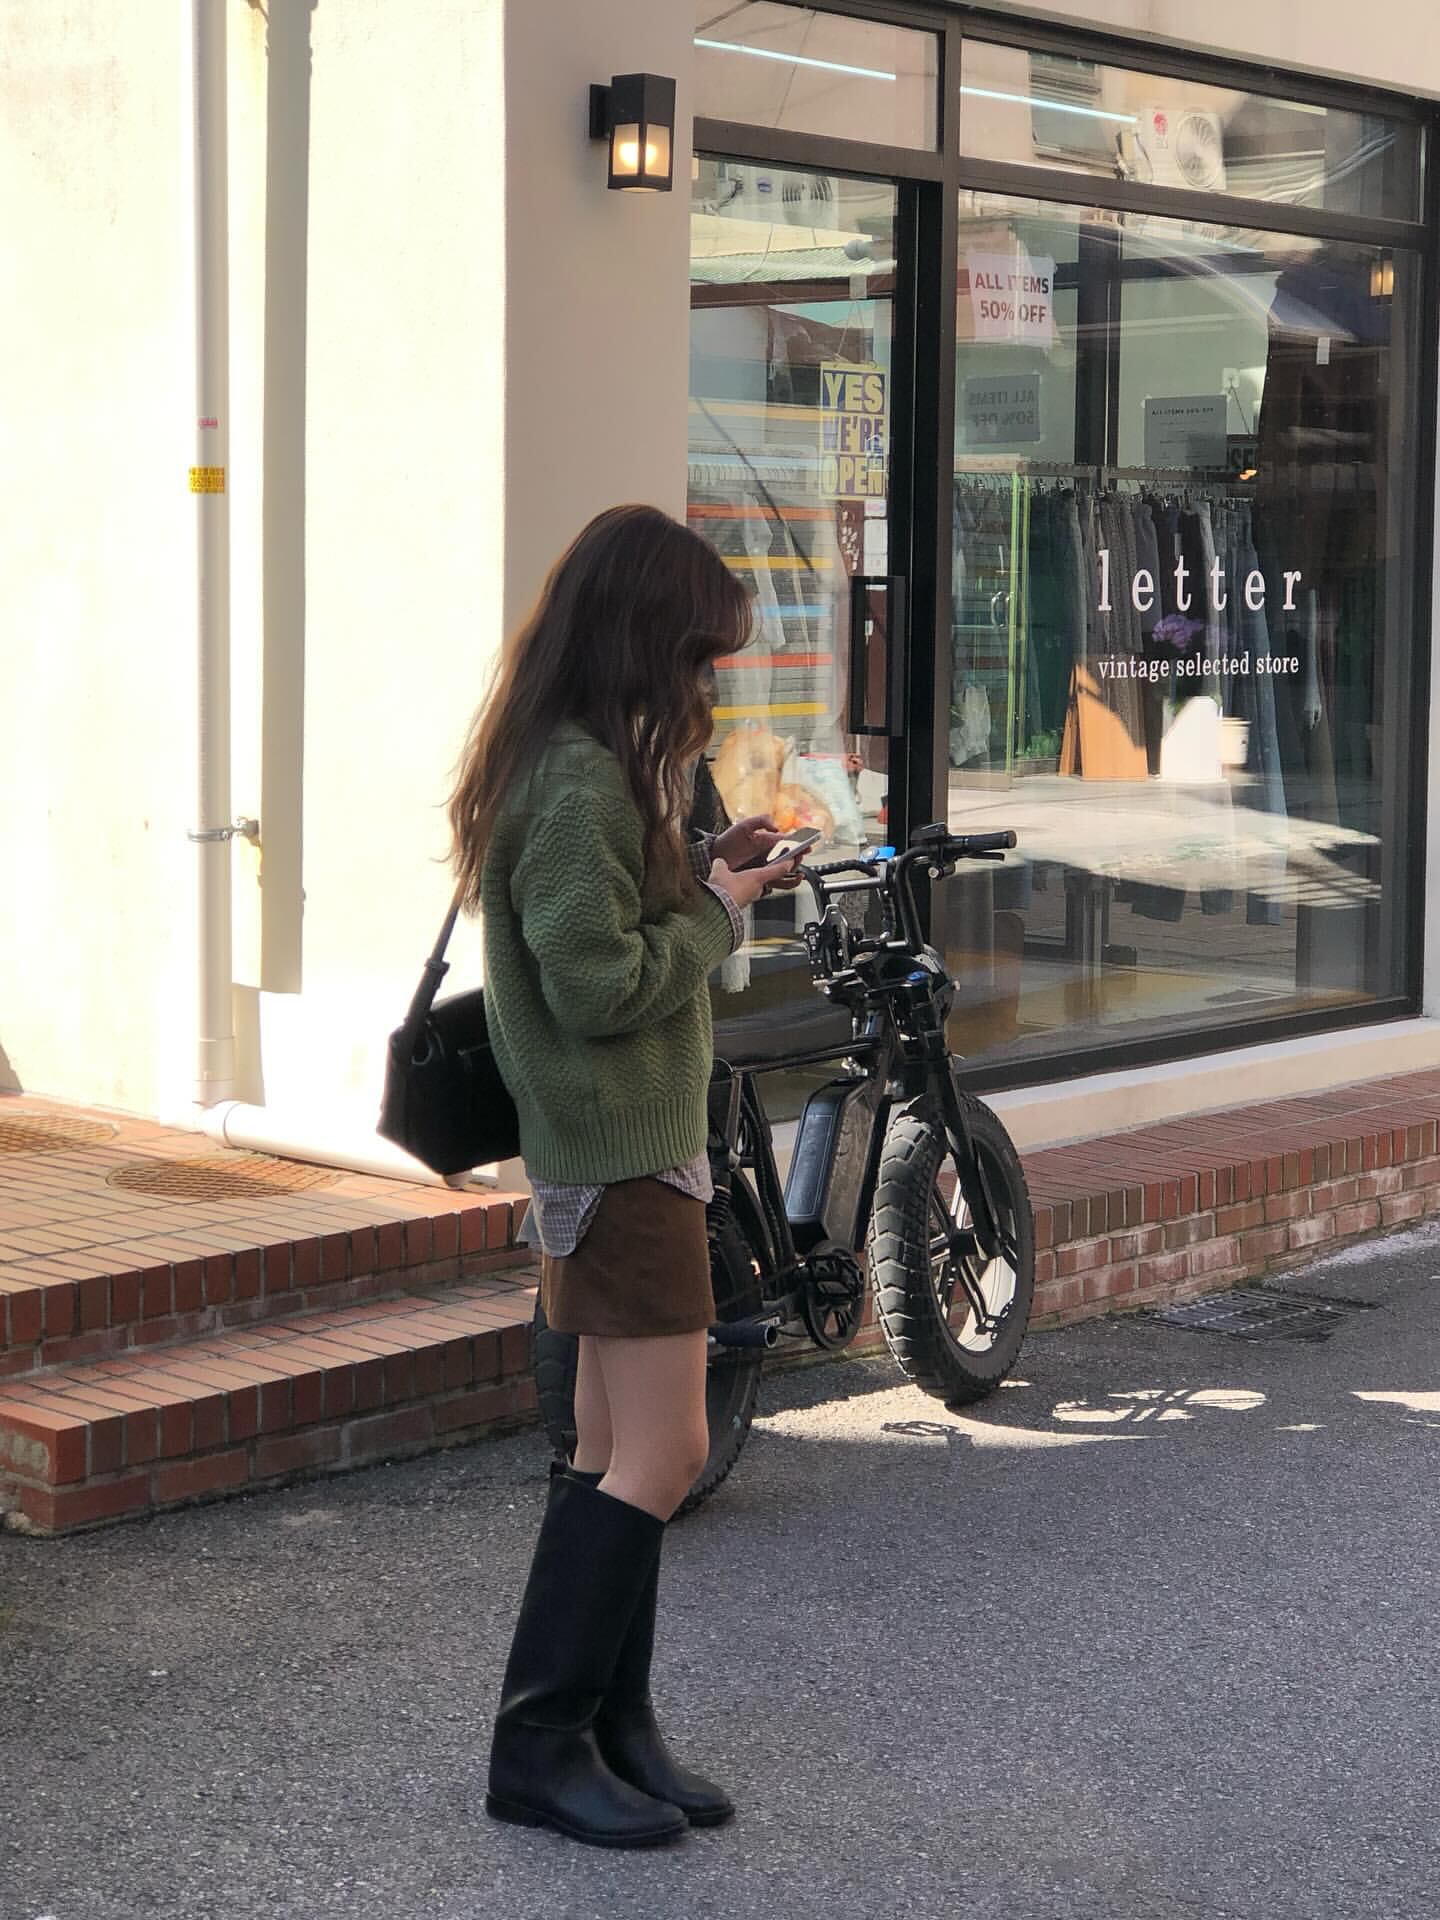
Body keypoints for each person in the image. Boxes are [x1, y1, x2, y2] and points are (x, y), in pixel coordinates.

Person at [447, 503, 803, 1849]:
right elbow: (595, 987)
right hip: (621, 1162)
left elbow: (598, 931)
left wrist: (705, 870)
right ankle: (540, 1746)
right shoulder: (581, 781)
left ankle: (606, 1725)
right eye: (697, 655)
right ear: (643, 639)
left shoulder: (572, 764)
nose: (706, 682)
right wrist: (717, 913)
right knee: (668, 1450)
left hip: (610, 1156)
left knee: (606, 1451)